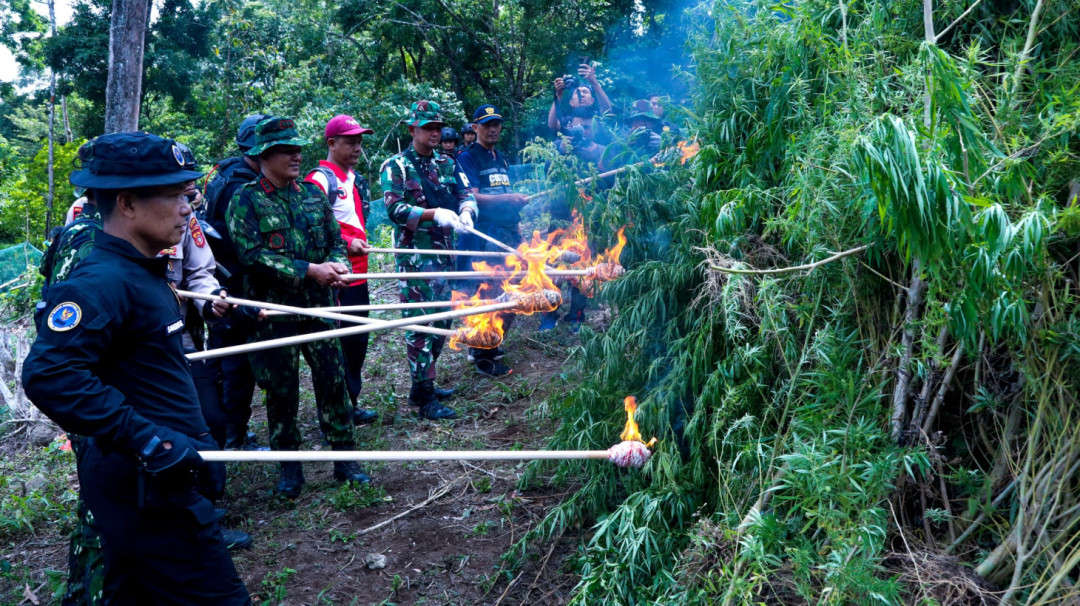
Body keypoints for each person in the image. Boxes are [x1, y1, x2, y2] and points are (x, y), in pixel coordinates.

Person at [22, 132, 251, 605]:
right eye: (173, 195)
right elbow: (50, 375)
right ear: (126, 203)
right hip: (145, 488)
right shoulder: (101, 281)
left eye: (188, 194)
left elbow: (152, 374)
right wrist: (149, 439)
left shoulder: (144, 272)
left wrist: (197, 443)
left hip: (162, 481)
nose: (188, 207)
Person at [228, 116, 370, 497]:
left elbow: (334, 239)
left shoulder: (311, 193)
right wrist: (309, 270)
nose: (296, 155)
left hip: (319, 308)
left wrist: (337, 263)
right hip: (272, 315)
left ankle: (345, 459)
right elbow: (251, 255)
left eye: (298, 149)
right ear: (264, 156)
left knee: (333, 380)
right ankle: (289, 469)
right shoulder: (246, 199)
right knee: (281, 390)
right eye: (286, 150)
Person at [380, 100, 477, 419]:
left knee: (443, 320)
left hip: (445, 255)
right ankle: (424, 396)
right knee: (420, 324)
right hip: (415, 259)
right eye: (428, 128)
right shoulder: (395, 166)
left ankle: (422, 382)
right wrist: (433, 213)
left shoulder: (448, 163)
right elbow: (394, 209)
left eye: (438, 127)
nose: (435, 133)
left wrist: (466, 211)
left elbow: (465, 193)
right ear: (413, 130)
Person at [305, 114, 379, 426]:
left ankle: (350, 403)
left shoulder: (351, 178)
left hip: (358, 276)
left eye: (359, 142)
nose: (357, 148)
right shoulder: (321, 179)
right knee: (335, 347)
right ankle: (332, 416)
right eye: (350, 142)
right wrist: (347, 242)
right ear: (332, 143)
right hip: (335, 280)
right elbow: (311, 226)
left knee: (356, 342)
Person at [203, 113, 269, 451]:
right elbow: (245, 245)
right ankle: (233, 438)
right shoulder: (239, 186)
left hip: (224, 282)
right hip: (234, 284)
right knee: (236, 366)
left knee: (230, 362)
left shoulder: (226, 174)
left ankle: (231, 432)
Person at [455, 104, 527, 375]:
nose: (493, 128)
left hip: (508, 233)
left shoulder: (501, 157)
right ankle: (481, 353)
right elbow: (471, 197)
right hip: (486, 235)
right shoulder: (468, 157)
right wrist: (508, 198)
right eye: (486, 124)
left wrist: (517, 228)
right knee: (488, 291)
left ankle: (492, 342)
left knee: (509, 289)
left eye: (496, 123)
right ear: (475, 128)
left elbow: (505, 196)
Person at [547, 60, 613, 133]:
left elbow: (608, 111)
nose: (581, 95)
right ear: (571, 102)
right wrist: (558, 94)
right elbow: (552, 125)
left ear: (592, 100)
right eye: (577, 93)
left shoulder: (597, 118)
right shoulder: (567, 121)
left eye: (585, 92)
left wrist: (593, 81)